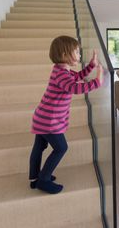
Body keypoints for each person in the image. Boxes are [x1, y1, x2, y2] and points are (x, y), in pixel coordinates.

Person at [29, 36, 103, 194]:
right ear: (64, 55)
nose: (79, 54)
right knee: (61, 148)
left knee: (39, 146)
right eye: (76, 51)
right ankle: (43, 180)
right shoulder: (62, 74)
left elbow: (77, 77)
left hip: (43, 118)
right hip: (49, 121)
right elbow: (75, 88)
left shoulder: (61, 70)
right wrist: (97, 81)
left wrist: (91, 66)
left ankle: (35, 177)